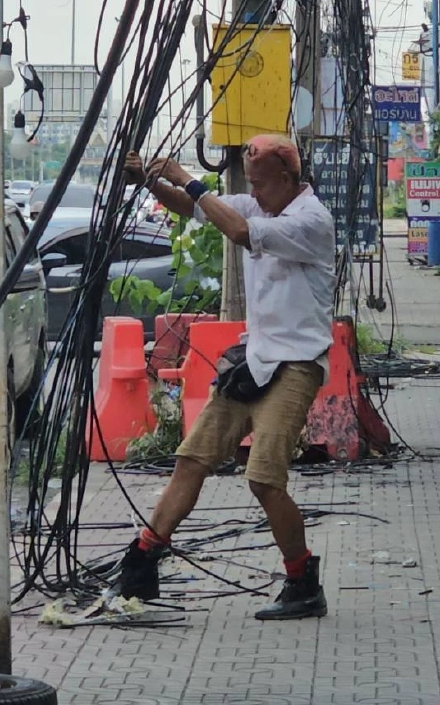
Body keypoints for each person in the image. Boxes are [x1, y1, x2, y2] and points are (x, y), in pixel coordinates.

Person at [112, 134, 336, 621]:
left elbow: (236, 230)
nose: (253, 193)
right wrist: (149, 180)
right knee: (191, 459)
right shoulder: (258, 204)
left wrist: (185, 177)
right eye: (249, 185)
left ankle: (303, 582)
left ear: (287, 178)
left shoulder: (311, 220)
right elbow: (193, 208)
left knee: (264, 480)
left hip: (297, 363)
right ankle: (142, 561)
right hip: (254, 358)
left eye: (260, 184)